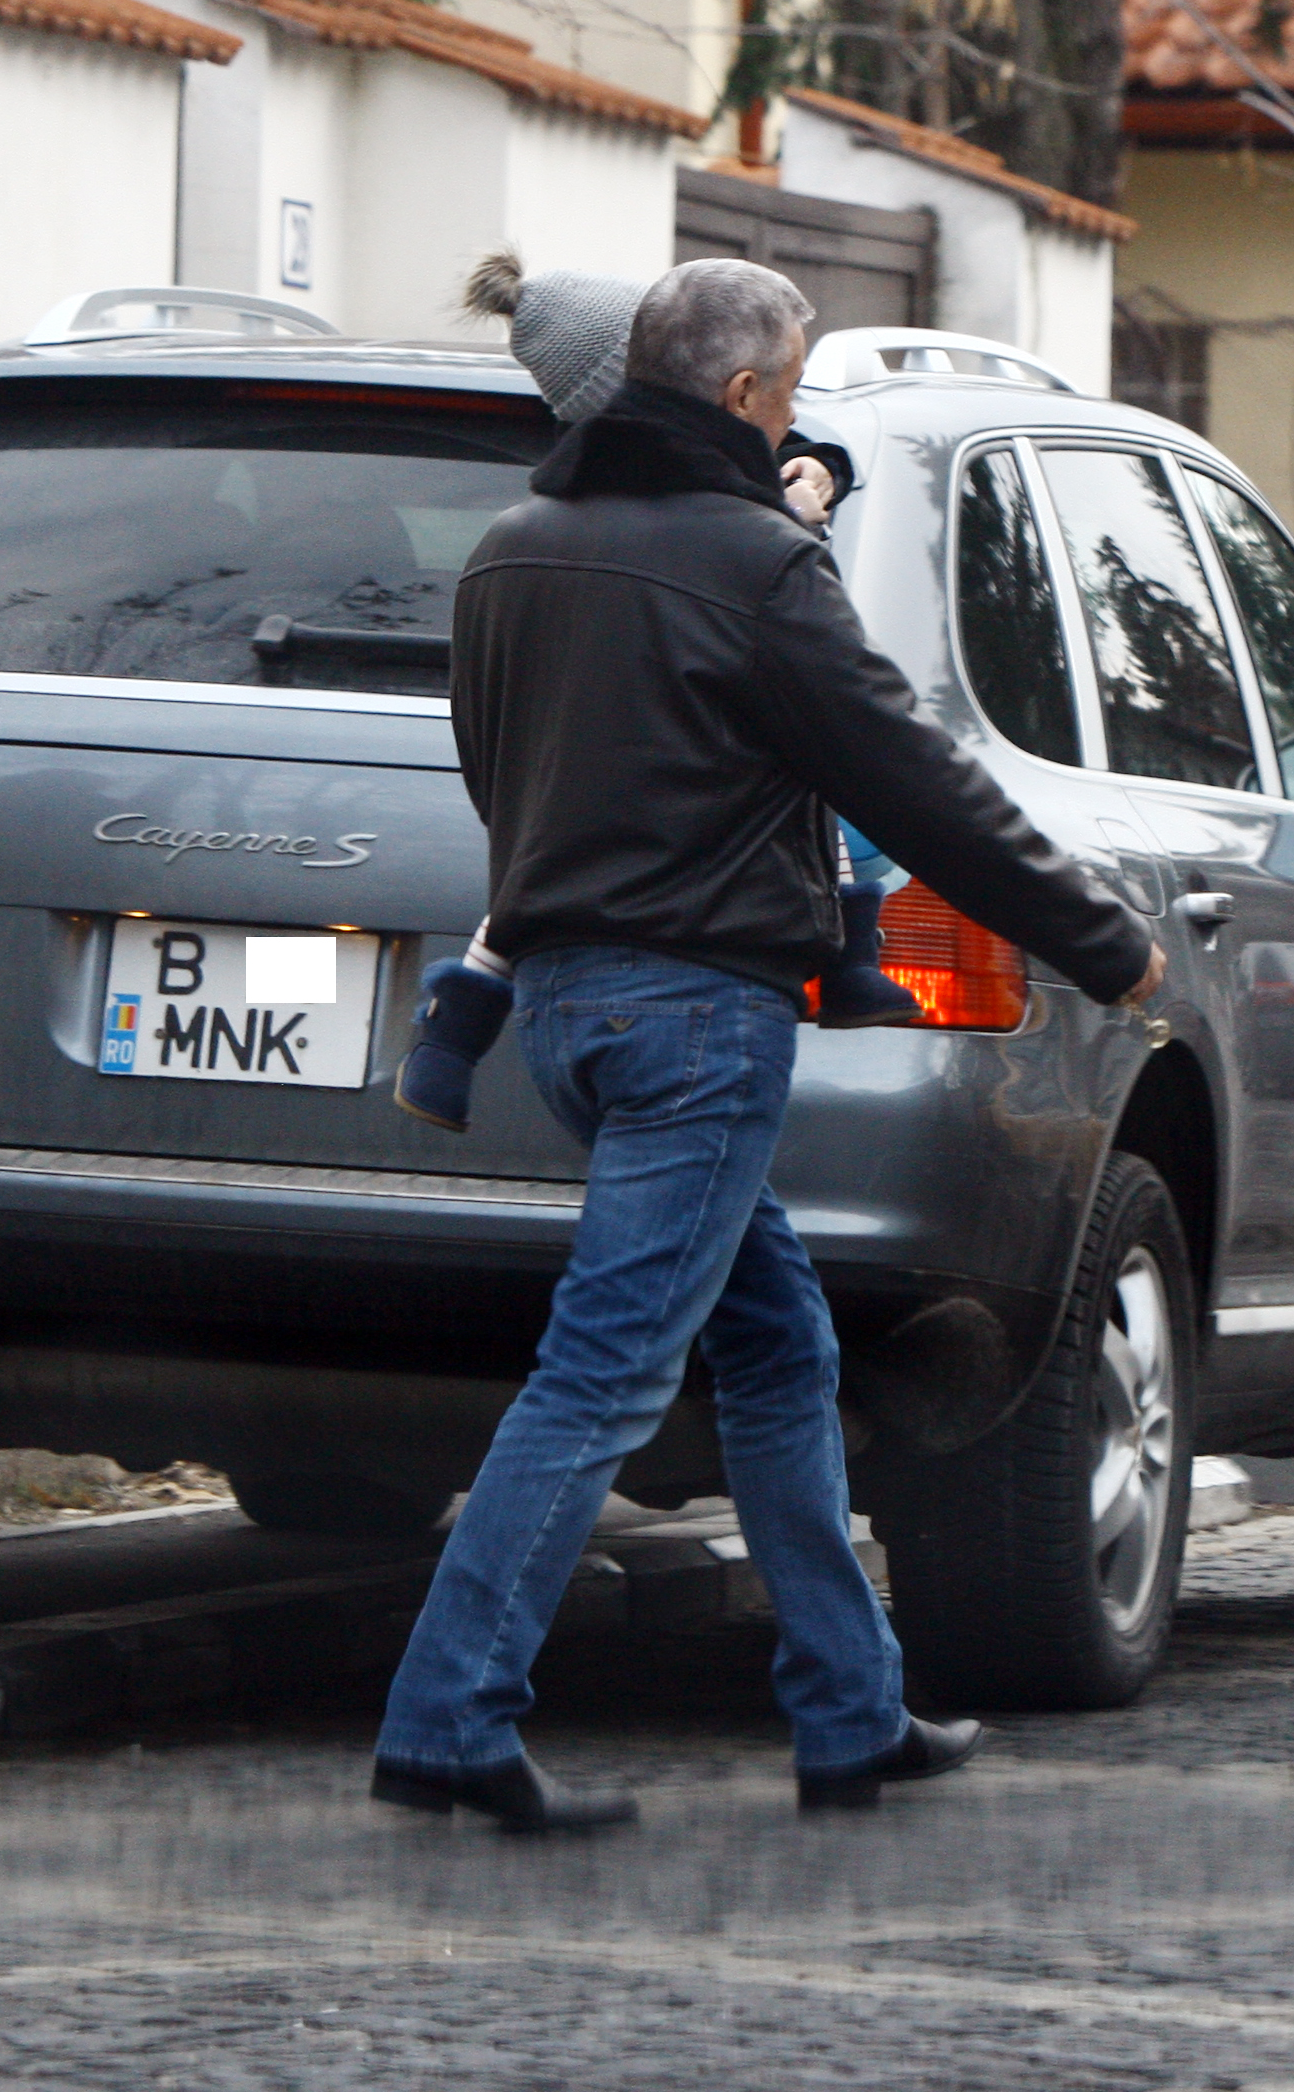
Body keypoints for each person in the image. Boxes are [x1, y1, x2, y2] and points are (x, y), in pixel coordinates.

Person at [370, 258, 1165, 1831]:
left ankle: (848, 1712)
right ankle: (445, 1718)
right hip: (694, 1023)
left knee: (778, 1344)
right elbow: (913, 782)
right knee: (601, 1374)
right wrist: (1100, 940)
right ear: (738, 395)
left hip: (566, 1010)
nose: (794, 412)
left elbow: (496, 776)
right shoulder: (757, 565)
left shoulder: (509, 553)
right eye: (789, 386)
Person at [392, 254, 912, 1135]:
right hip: (681, 953)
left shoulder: (568, 512)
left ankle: (456, 1026)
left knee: (719, 1214)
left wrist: (816, 473)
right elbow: (880, 746)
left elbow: (805, 446)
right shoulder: (664, 519)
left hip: (586, 905)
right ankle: (851, 954)